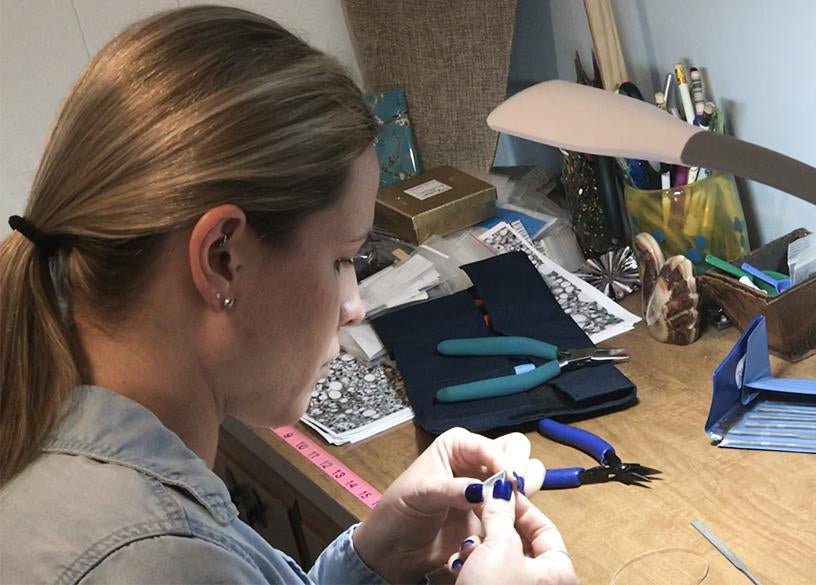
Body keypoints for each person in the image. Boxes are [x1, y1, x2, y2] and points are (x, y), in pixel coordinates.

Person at [0, 6, 577, 584]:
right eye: (342, 259)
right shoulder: (156, 561)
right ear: (222, 260)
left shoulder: (60, 437)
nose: (354, 306)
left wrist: (375, 559)